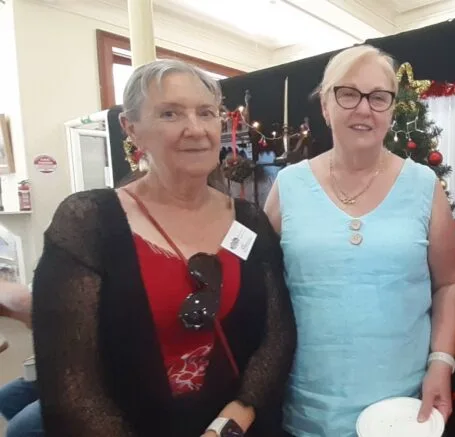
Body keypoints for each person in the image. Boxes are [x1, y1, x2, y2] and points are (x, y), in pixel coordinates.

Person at [32, 59, 296, 437]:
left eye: (206, 113)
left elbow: (278, 334)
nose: (196, 129)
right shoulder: (89, 222)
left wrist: (230, 423)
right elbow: (70, 383)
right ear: (131, 128)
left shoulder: (248, 220)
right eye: (170, 113)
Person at [263, 45, 455, 437]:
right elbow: (261, 289)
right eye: (348, 94)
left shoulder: (423, 185)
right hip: (307, 408)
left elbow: (452, 282)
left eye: (378, 97)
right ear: (326, 105)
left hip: (402, 411)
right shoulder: (289, 186)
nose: (364, 109)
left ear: (392, 108)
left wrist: (442, 361)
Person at [0, 280, 42, 437]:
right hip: (68, 366)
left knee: (22, 429)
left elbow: (25, 303)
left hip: (110, 377)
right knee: (8, 398)